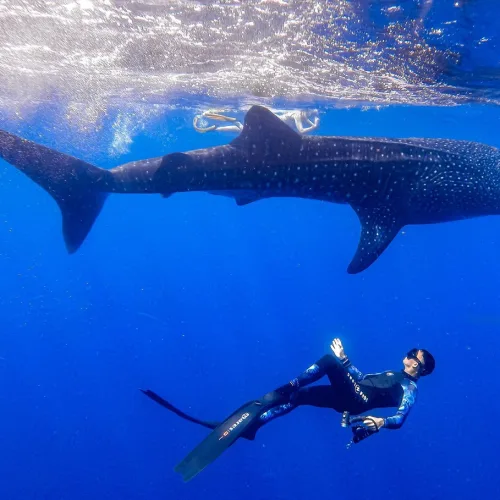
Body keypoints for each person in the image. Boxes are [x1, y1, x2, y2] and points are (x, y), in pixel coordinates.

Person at [141, 338, 435, 482]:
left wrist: (381, 423)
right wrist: (346, 359)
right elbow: (361, 379)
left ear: (421, 372)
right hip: (350, 394)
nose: (409, 361)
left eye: (416, 362)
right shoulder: (393, 373)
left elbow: (401, 418)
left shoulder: (410, 389)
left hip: (356, 401)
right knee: (301, 397)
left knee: (324, 363)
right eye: (411, 355)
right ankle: (254, 426)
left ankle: (284, 386)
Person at [193, 108, 320, 134]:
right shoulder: (297, 114)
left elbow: (305, 120)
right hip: (268, 125)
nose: (308, 117)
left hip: (270, 124)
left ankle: (216, 127)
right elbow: (302, 131)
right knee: (241, 129)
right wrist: (314, 126)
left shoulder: (300, 115)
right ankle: (225, 121)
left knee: (242, 130)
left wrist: (312, 123)